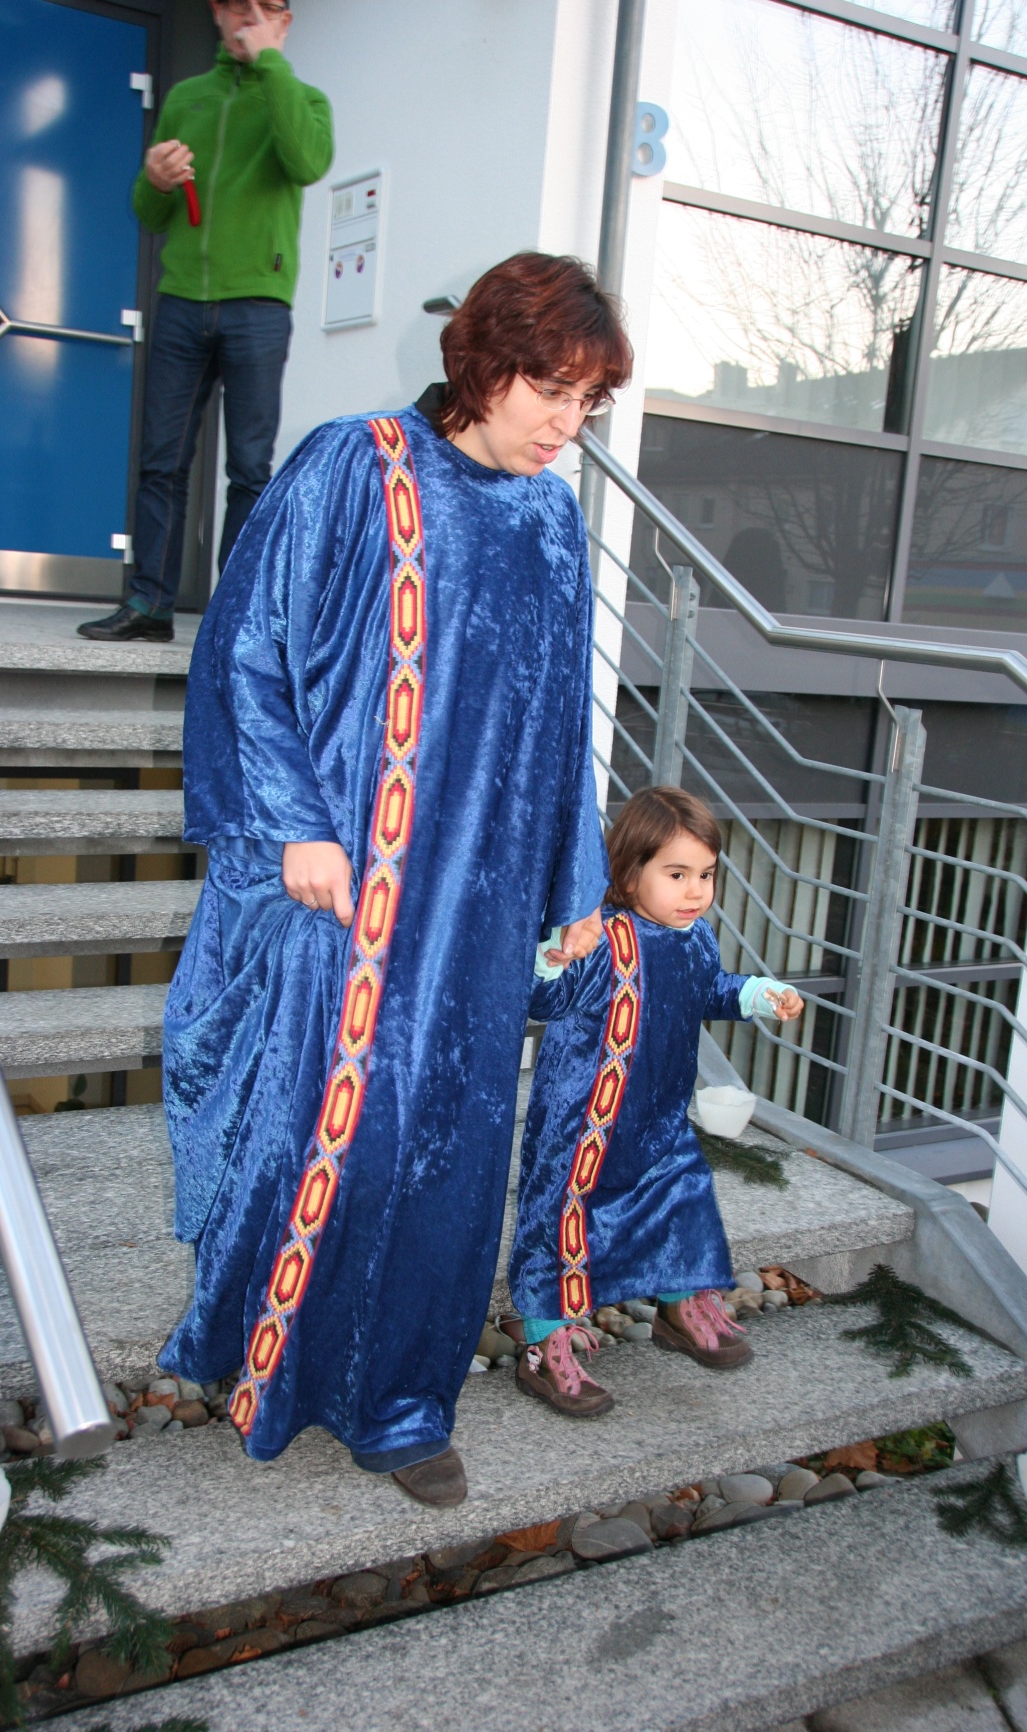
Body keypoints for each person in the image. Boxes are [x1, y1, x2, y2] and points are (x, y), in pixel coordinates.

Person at [158, 252, 633, 1506]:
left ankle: (405, 1405)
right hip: (347, 891)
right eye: (550, 388)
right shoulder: (353, 465)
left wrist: (576, 889)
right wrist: (293, 823)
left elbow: (562, 717)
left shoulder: (551, 518)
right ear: (487, 358)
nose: (567, 423)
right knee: (335, 1132)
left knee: (455, 1155)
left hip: (479, 897)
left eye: (587, 401)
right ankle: (278, 1361)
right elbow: (247, 646)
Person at [509, 785, 804, 1417]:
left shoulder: (695, 938)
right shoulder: (604, 938)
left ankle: (679, 1307)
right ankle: (544, 1344)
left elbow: (708, 989)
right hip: (586, 1125)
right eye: (676, 874)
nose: (695, 891)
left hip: (661, 1117)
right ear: (629, 871)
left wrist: (757, 994)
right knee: (562, 1223)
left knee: (684, 1203)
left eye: (706, 875)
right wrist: (551, 958)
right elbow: (545, 1001)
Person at [79, 0, 333, 644]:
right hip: (182, 301)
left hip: (260, 305)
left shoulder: (303, 99)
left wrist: (270, 65)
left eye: (265, 8)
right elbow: (151, 213)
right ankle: (150, 604)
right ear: (216, 13)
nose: (248, 18)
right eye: (236, 6)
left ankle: (236, 615)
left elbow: (307, 162)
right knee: (161, 461)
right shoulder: (187, 97)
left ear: (285, 21)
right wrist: (155, 180)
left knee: (249, 468)